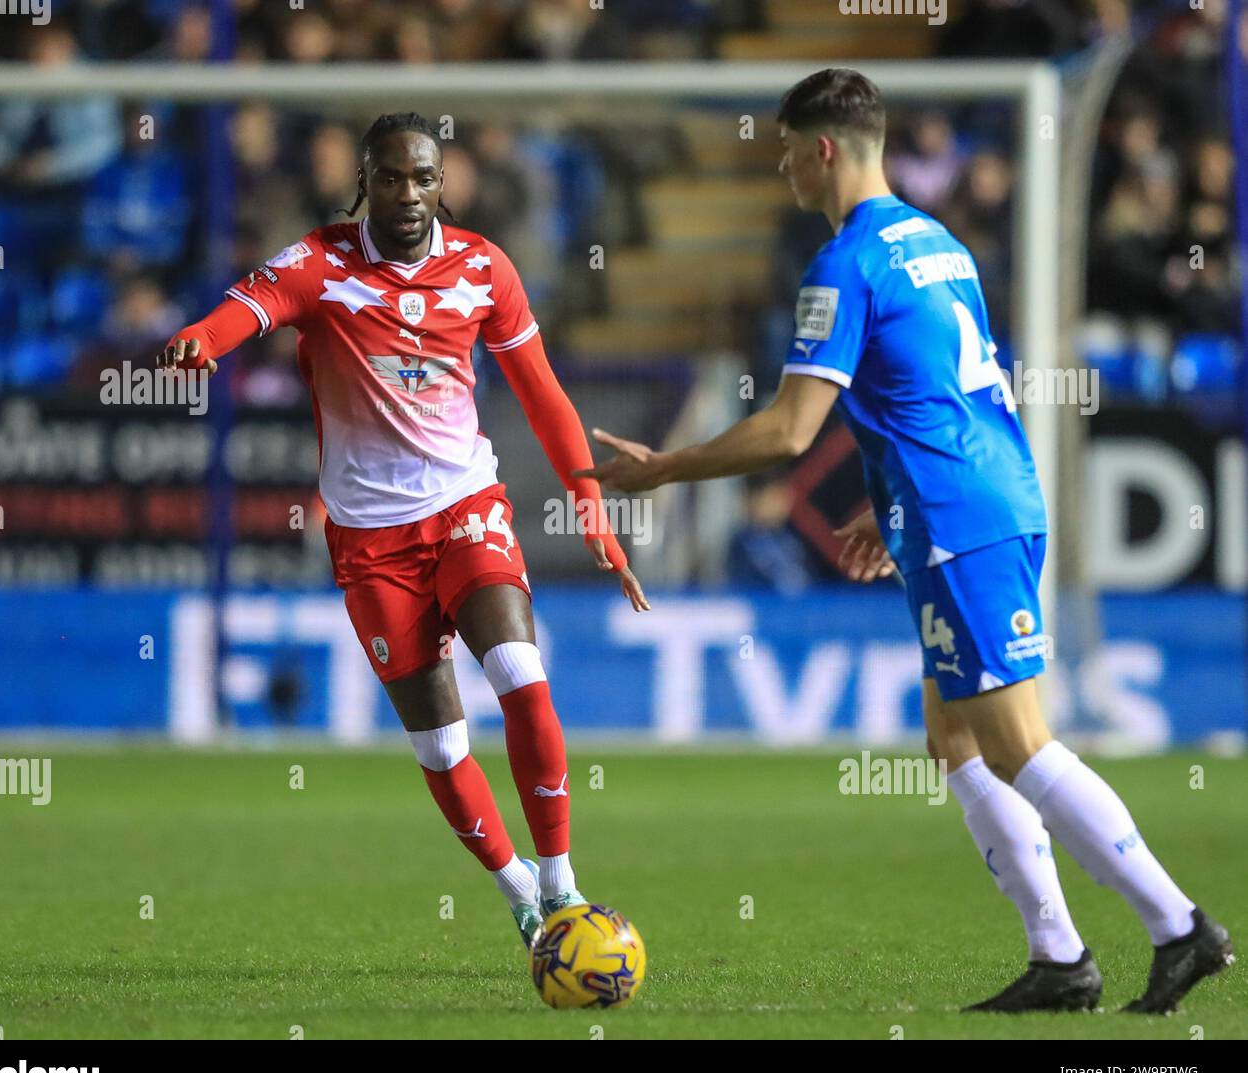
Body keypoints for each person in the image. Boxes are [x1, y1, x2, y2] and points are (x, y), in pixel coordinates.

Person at [578, 69, 1233, 1013]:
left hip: (961, 514)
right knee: (955, 736)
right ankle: (1061, 959)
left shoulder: (845, 264)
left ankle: (1180, 929)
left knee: (1017, 743)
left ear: (826, 149)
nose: (783, 164)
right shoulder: (938, 241)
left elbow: (788, 432)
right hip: (972, 498)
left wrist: (660, 470)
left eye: (788, 146)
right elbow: (933, 386)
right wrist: (889, 504)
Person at [158, 112, 648, 949]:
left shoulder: (483, 268)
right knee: (439, 742)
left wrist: (591, 502)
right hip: (371, 540)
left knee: (522, 676)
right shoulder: (320, 263)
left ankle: (566, 888)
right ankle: (519, 890)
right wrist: (205, 338)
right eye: (393, 178)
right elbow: (254, 303)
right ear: (366, 181)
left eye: (425, 178)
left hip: (467, 507)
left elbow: (542, 395)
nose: (411, 194)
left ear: (441, 183)